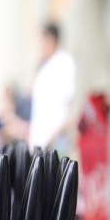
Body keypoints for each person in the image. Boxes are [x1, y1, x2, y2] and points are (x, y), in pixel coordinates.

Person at [28, 23, 77, 153]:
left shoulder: (64, 62)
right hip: (39, 142)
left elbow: (68, 104)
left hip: (55, 141)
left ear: (51, 39)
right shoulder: (43, 66)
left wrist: (56, 135)